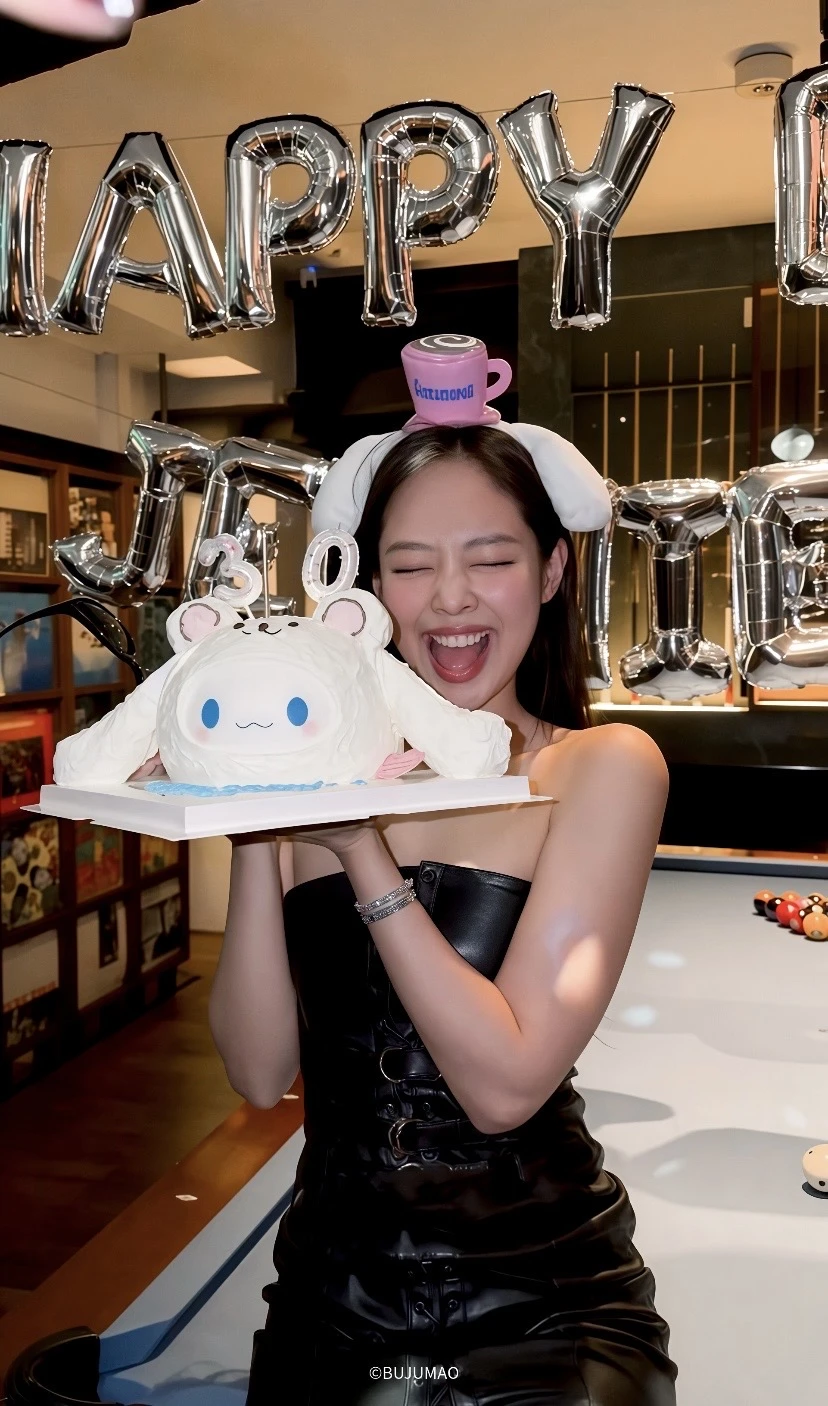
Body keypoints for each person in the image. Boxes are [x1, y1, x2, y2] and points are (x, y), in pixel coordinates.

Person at [209, 347, 679, 1405]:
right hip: (334, 1300)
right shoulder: (317, 775)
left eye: (491, 558)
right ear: (370, 586)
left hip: (545, 1299)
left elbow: (505, 1089)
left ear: (551, 570)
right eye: (412, 564)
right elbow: (257, 1070)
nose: (450, 599)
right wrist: (250, 823)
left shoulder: (600, 768)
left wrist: (362, 849)